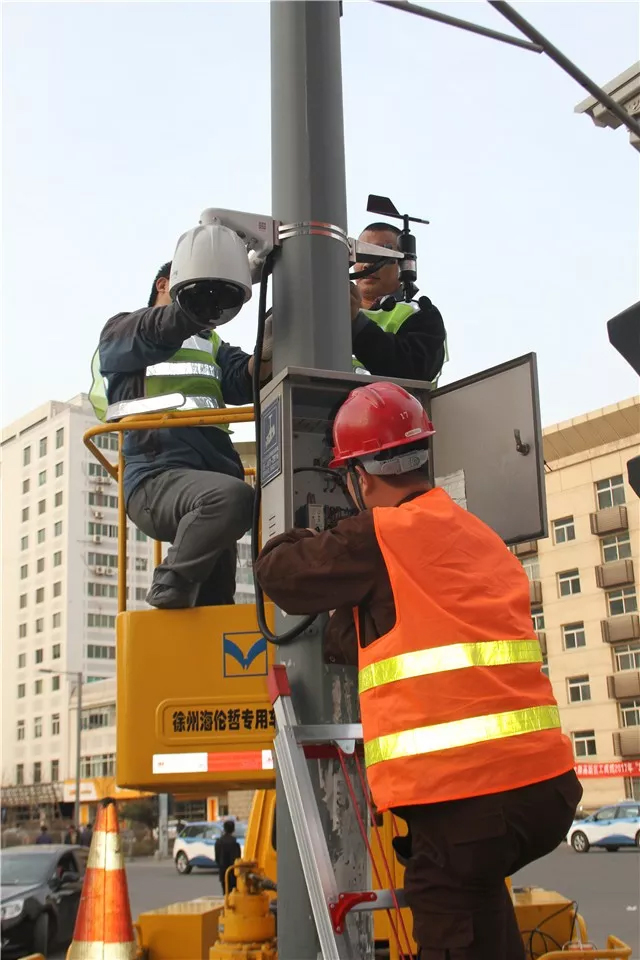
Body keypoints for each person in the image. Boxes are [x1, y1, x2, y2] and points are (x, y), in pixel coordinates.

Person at [254, 382, 582, 960]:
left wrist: (317, 528)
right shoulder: (478, 535)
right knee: (479, 901)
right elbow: (404, 622)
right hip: (546, 789)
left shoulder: (377, 534)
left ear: (359, 476)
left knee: (446, 909)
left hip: (469, 799)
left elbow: (279, 573)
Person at [91, 262, 271, 609]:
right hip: (157, 478)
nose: (207, 301)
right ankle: (169, 581)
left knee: (216, 602)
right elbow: (161, 327)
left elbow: (243, 376)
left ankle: (185, 621)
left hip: (212, 474)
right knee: (232, 499)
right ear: (163, 285)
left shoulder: (211, 343)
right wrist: (222, 285)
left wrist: (269, 351)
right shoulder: (125, 331)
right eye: (193, 287)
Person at [349, 222, 447, 383]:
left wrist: (356, 323)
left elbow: (413, 372)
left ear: (403, 264)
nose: (367, 264)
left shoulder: (420, 313)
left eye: (379, 255)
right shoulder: (327, 311)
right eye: (362, 254)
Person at [215, 820, 242, 893]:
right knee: (233, 893)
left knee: (225, 893)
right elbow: (238, 859)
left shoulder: (218, 842)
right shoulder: (235, 844)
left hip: (223, 871)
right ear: (233, 829)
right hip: (232, 872)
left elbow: (217, 858)